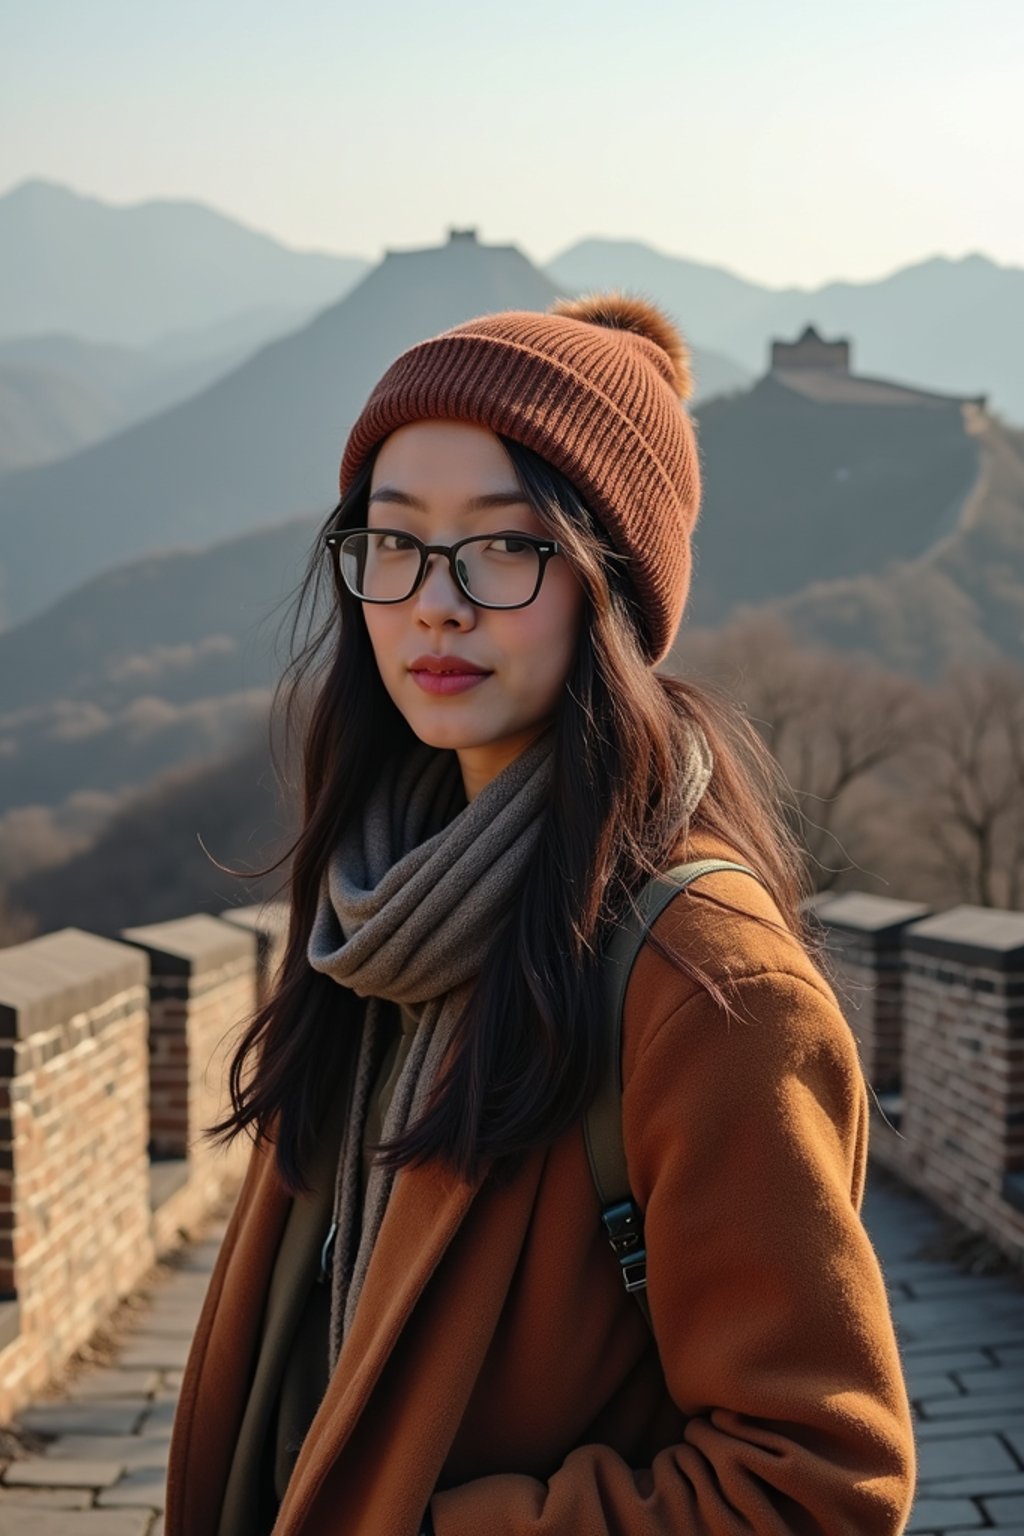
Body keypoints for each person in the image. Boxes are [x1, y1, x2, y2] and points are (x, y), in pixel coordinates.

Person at [165, 292, 916, 1536]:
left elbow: (816, 1484)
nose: (435, 602)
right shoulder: (374, 922)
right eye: (391, 542)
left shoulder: (706, 987)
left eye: (505, 548)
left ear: (608, 588)